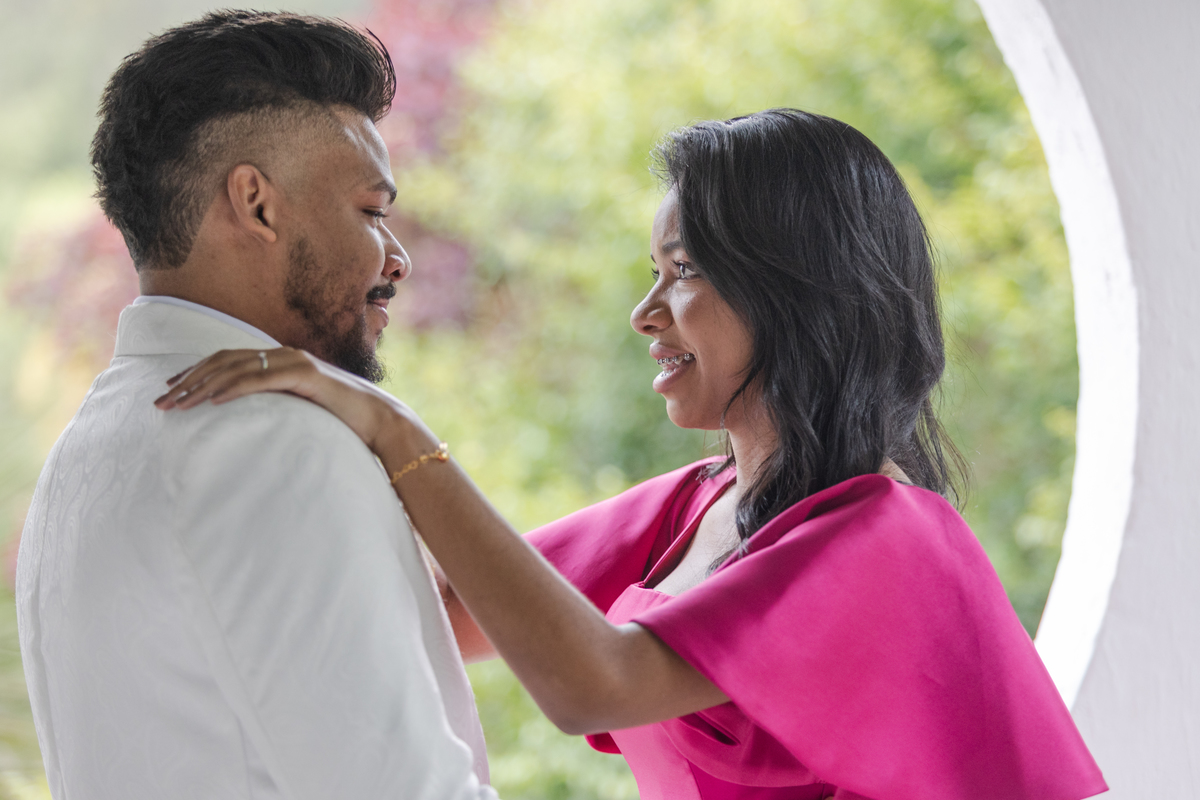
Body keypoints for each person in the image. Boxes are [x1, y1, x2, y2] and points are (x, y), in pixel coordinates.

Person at [160, 109, 1108, 800]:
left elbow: (593, 685)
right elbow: (442, 612)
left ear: (798, 291)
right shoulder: (702, 506)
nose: (644, 314)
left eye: (684, 272)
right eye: (652, 273)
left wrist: (390, 425)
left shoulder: (885, 538)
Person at [16, 11, 496, 800]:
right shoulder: (277, 441)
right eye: (372, 212)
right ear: (257, 204)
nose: (399, 258)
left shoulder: (88, 448)